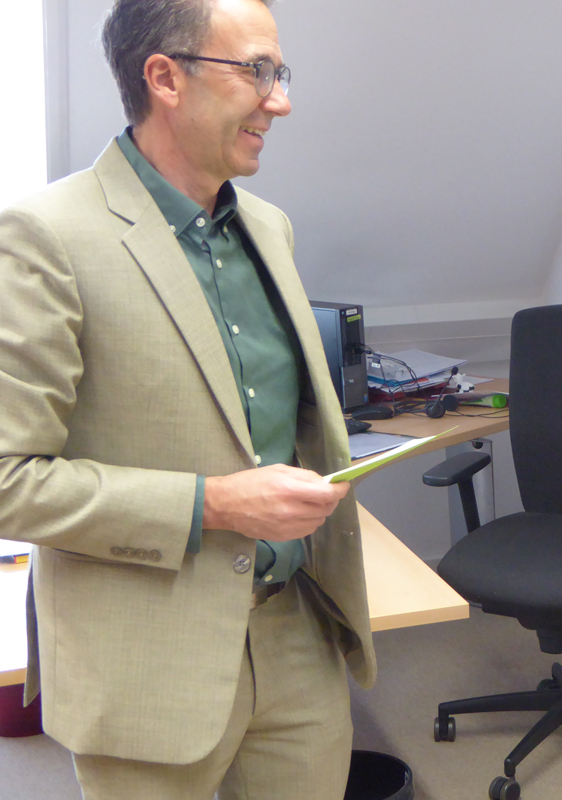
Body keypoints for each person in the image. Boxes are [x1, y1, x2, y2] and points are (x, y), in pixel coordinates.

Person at [0, 1, 375, 797]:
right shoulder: (42, 236)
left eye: (280, 73)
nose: (281, 100)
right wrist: (214, 505)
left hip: (296, 636)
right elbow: (7, 477)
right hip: (144, 660)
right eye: (257, 71)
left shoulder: (270, 227)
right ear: (164, 77)